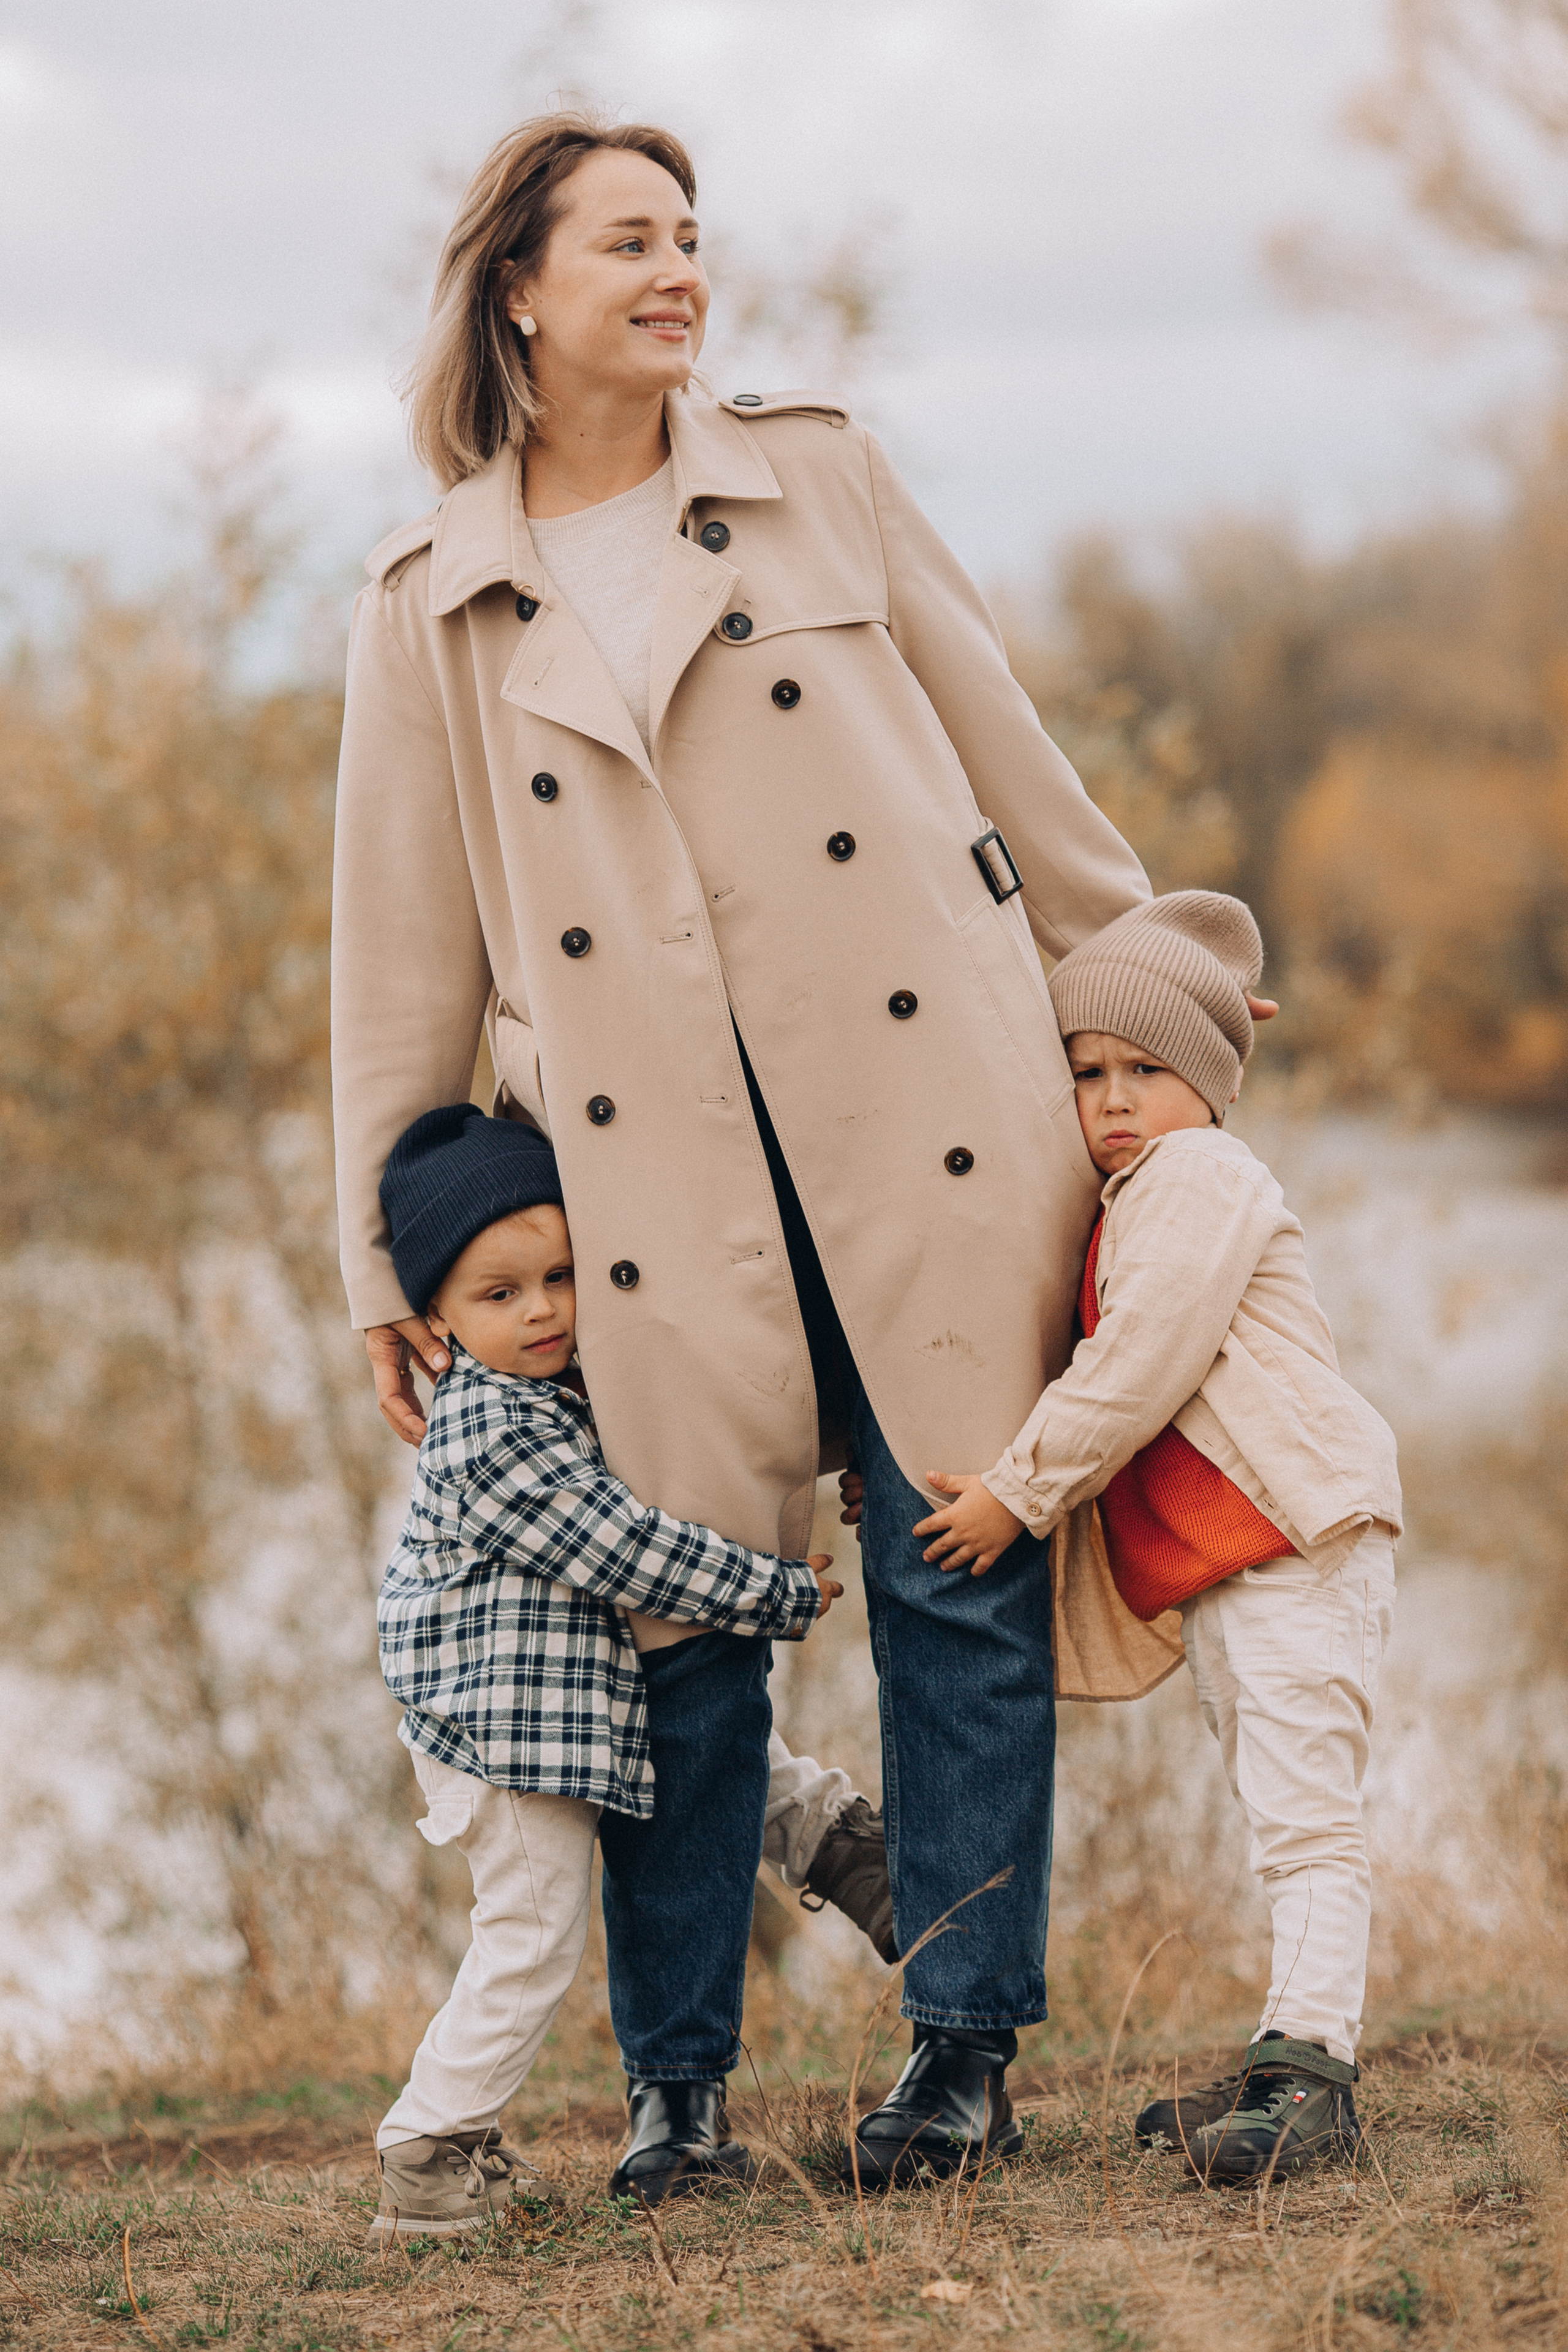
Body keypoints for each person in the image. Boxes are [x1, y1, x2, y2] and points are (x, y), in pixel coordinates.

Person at [331, 111, 1272, 2186]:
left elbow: (1013, 758)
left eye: (692, 238)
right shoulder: (430, 600)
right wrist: (383, 1261)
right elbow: (397, 968)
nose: (678, 272)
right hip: (650, 1191)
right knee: (689, 1630)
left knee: (961, 1578)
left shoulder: (816, 478)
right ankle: (676, 2096)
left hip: (929, 1116)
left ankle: (959, 2054)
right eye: (628, 244)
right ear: (518, 289)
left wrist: (1158, 1003)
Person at [910, 893, 1401, 2185]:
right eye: (1085, 1074)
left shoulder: (1198, 1178)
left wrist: (1013, 1493)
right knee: (1275, 1808)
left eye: (1148, 1071)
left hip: (1298, 1540)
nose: (1114, 1099)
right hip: (1240, 1563)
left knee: (1305, 1820)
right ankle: (1284, 2056)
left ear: (1211, 1082)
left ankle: (1313, 2081)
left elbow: (1132, 1366)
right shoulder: (1135, 1190)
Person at [364, 1104, 840, 2241]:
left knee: (700, 1749)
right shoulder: (495, 1432)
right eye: (499, 1294)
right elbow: (630, 1552)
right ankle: (428, 2148)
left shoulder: (552, 1394)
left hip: (560, 1715)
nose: (540, 1312)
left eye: (560, 1277)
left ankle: (822, 1827)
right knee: (531, 1938)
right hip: (506, 1741)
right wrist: (779, 1590)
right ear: (434, 1317)